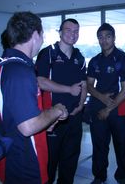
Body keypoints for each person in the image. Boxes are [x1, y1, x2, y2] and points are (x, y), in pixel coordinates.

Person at [0, 12, 68, 184]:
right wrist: (56, 111)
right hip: (25, 161)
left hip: (11, 153)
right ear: (35, 35)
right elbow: (28, 127)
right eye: (42, 34)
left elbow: (15, 114)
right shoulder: (21, 72)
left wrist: (45, 120)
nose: (42, 39)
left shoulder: (4, 65)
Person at [35, 18, 87, 184]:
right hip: (52, 119)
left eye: (76, 31)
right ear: (60, 32)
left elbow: (83, 83)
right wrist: (69, 89)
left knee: (70, 162)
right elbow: (40, 81)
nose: (73, 34)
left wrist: (80, 104)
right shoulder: (48, 53)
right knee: (50, 162)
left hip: (74, 117)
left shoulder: (80, 56)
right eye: (69, 30)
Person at [87, 23, 125, 184]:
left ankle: (122, 175)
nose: (104, 40)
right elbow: (89, 86)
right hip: (98, 107)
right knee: (99, 145)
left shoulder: (123, 59)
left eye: (107, 36)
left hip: (119, 109)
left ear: (114, 38)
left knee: (122, 145)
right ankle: (99, 176)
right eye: (100, 37)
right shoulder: (94, 61)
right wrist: (102, 98)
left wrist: (108, 108)